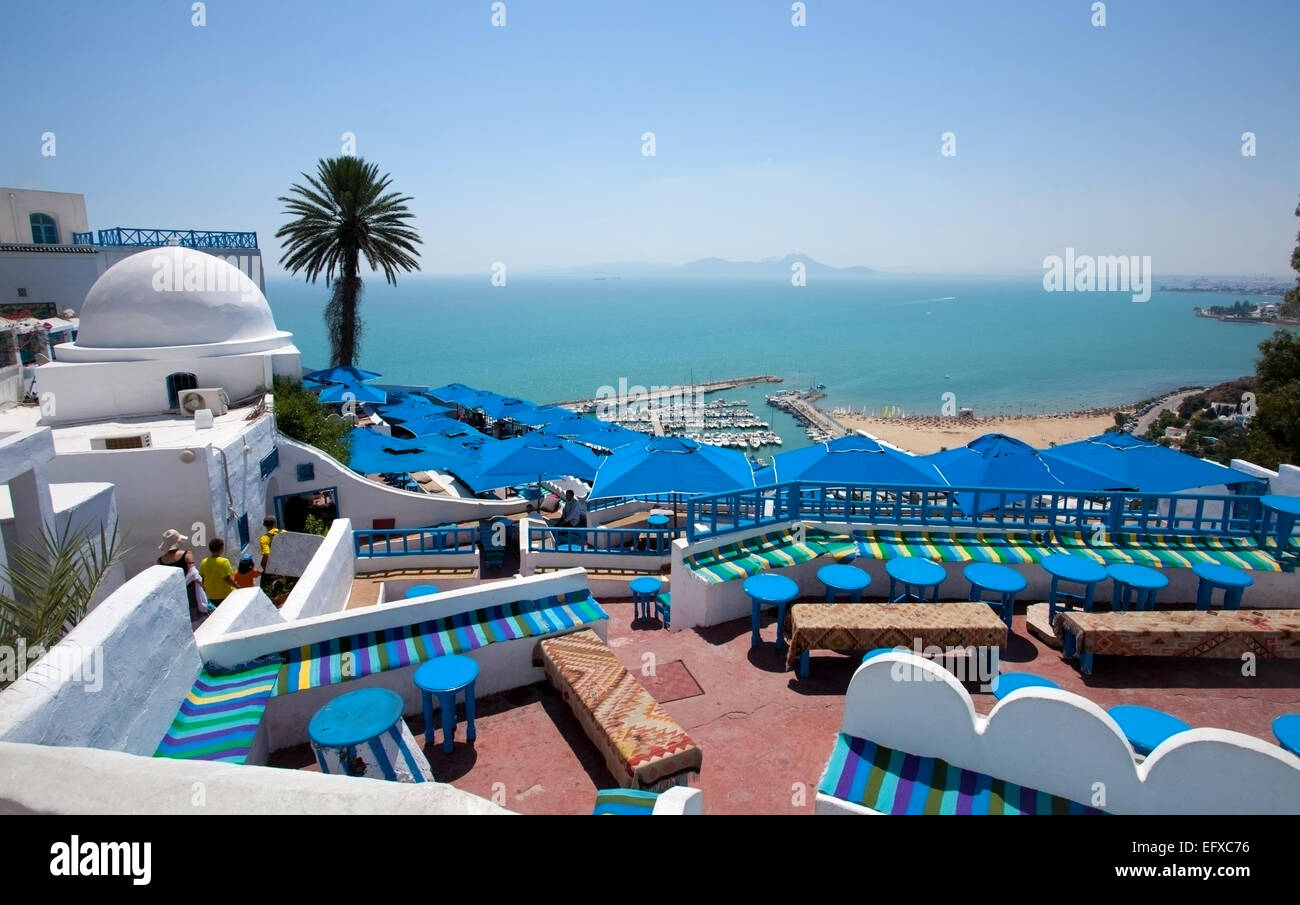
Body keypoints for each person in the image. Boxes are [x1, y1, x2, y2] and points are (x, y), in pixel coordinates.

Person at [158, 530, 206, 621]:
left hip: (173, 594)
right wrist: (203, 587)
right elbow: (194, 574)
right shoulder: (186, 554)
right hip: (191, 592)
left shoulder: (161, 560)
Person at [199, 538, 238, 608]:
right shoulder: (224, 562)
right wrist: (239, 587)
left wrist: (206, 591)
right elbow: (228, 579)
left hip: (211, 596)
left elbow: (203, 580)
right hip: (225, 594)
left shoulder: (204, 562)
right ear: (221, 548)